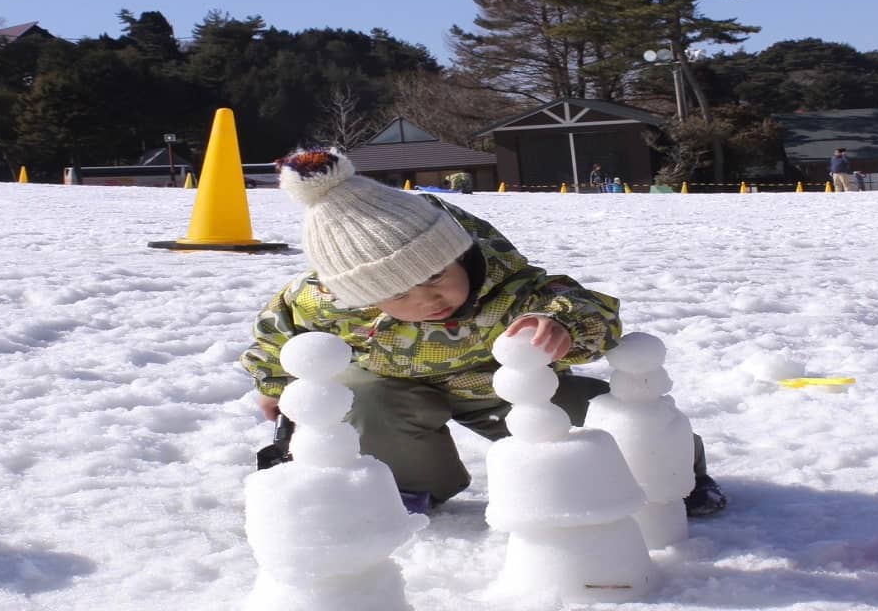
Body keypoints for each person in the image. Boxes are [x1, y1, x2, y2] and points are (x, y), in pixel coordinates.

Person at [241, 148, 727, 517]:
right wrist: (275, 384)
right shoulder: (321, 302)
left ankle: (676, 474)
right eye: (398, 293)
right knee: (360, 401)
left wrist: (560, 324)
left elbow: (590, 308)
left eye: (436, 276)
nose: (427, 300)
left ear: (460, 254)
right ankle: (408, 483)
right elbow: (280, 334)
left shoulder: (510, 287)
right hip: (394, 389)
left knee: (602, 413)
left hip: (501, 388)